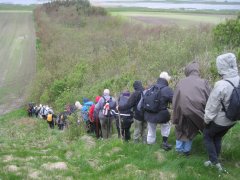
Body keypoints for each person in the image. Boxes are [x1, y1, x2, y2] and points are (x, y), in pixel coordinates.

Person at [203, 53, 239, 171]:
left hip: (221, 120)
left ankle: (214, 163)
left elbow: (212, 106)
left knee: (208, 135)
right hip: (234, 119)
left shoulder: (221, 85)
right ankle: (215, 159)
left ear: (221, 67)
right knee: (217, 137)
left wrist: (206, 121)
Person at [172, 62, 211, 156]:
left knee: (180, 129)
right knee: (191, 130)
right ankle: (186, 151)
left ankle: (179, 150)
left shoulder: (181, 82)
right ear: (197, 70)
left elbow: (175, 98)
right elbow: (209, 97)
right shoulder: (203, 82)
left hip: (180, 111)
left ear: (187, 70)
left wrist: (175, 113)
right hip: (196, 113)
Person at [144, 72, 173, 150]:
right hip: (162, 114)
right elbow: (174, 100)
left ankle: (150, 145)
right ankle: (164, 142)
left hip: (149, 113)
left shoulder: (151, 88)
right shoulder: (167, 89)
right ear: (166, 79)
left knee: (151, 129)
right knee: (166, 125)